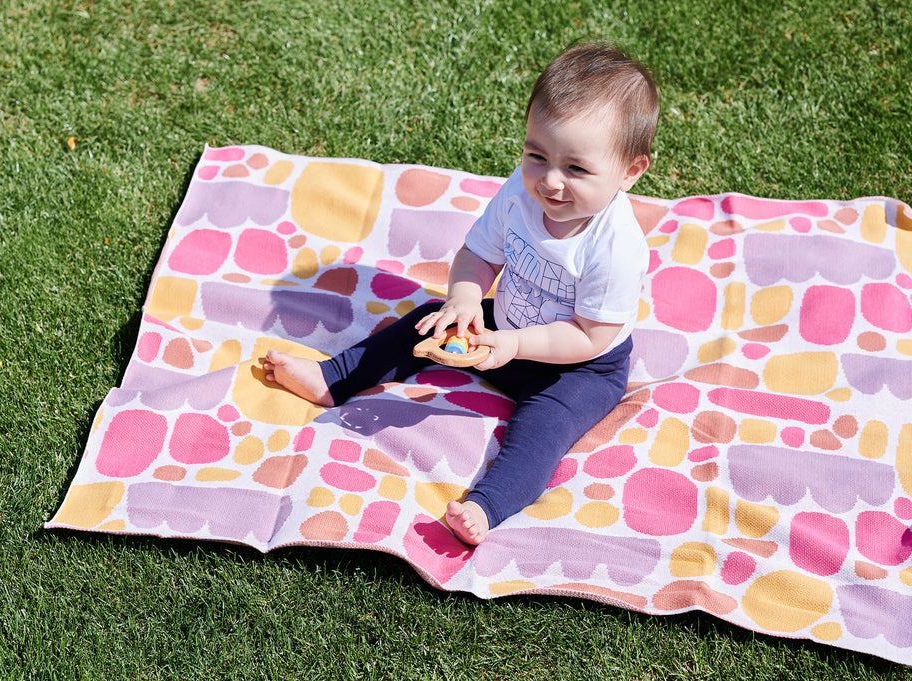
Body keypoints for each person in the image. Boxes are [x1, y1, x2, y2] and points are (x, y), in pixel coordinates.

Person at [263, 41, 659, 545]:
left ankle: (488, 505)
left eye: (577, 169)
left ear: (630, 171)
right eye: (537, 156)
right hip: (505, 329)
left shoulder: (616, 246)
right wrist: (467, 300)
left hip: (578, 368)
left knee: (541, 429)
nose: (551, 182)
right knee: (429, 318)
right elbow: (478, 255)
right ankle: (333, 378)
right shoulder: (522, 190)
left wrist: (515, 346)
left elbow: (591, 335)